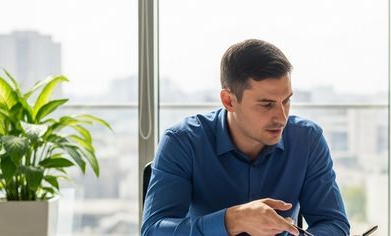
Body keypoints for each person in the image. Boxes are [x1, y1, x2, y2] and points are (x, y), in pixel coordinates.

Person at [142, 39, 350, 236]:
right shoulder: (182, 141)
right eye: (266, 104)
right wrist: (232, 220)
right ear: (229, 101)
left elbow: (334, 224)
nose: (282, 117)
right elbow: (153, 230)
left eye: (286, 101)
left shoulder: (307, 139)